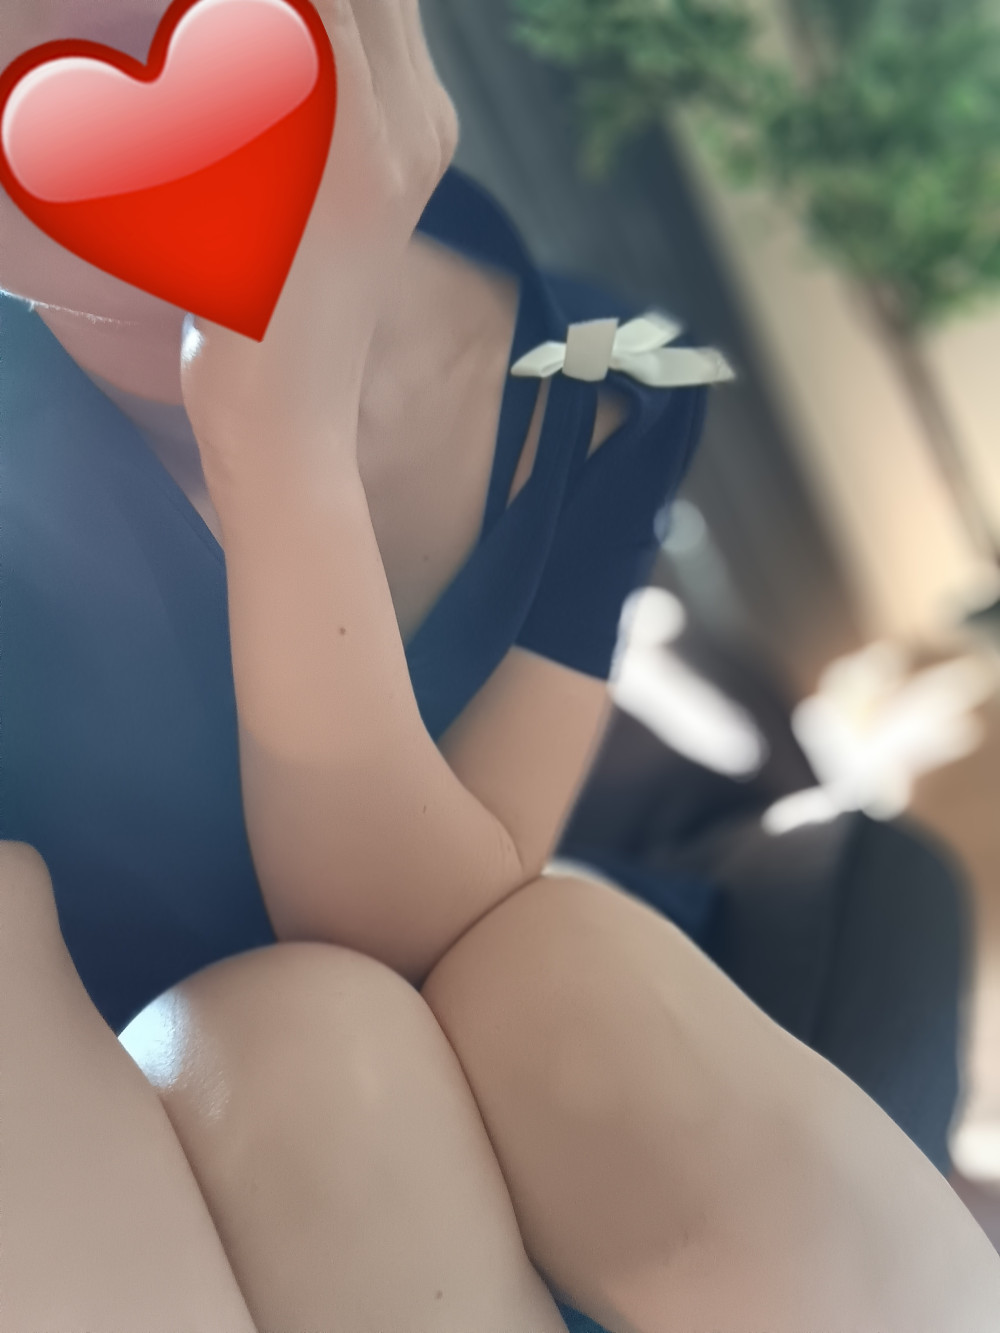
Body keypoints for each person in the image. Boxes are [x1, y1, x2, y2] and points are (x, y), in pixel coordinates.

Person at [2, 1, 999, 1331]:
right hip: (191, 1141)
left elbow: (443, 928)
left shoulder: (609, 374)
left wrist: (280, 443)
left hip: (531, 1058)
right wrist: (276, 433)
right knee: (298, 1047)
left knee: (530, 972)